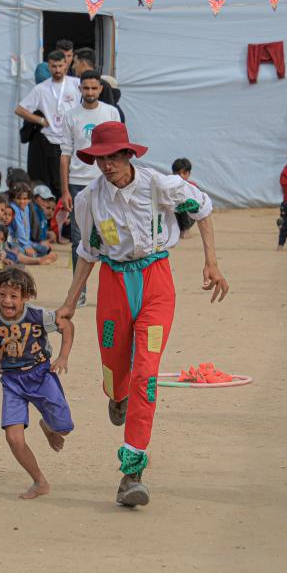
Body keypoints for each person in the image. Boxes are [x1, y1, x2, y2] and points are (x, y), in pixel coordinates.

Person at [56, 122, 228, 507]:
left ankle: (131, 473)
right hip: (114, 286)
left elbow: (203, 209)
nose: (108, 165)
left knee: (146, 375)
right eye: (101, 159)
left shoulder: (160, 186)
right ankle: (117, 396)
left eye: (114, 157)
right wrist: (71, 301)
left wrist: (211, 262)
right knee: (116, 369)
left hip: (156, 283)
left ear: (128, 155)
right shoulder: (88, 201)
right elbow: (88, 252)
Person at [0, 267, 74, 498]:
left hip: (40, 374)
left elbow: (67, 325)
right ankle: (39, 482)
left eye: (13, 296)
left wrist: (63, 356)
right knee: (13, 437)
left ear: (25, 297)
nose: (7, 301)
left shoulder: (38, 316)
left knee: (64, 428)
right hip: (12, 382)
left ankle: (48, 426)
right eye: (2, 294)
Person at [60, 69, 122, 305]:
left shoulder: (111, 113)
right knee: (79, 239)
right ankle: (80, 291)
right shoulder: (71, 116)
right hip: (78, 184)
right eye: (85, 88)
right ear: (80, 89)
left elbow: (120, 150)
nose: (90, 92)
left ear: (101, 89)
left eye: (94, 88)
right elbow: (65, 154)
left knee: (112, 236)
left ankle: (115, 288)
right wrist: (64, 190)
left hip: (107, 182)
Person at [15, 49, 81, 197]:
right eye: (53, 66)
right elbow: (20, 109)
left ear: (66, 65)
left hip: (71, 140)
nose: (57, 70)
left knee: (71, 182)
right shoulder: (41, 88)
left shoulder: (76, 84)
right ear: (49, 67)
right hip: (50, 141)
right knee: (52, 182)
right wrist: (40, 120)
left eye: (60, 66)